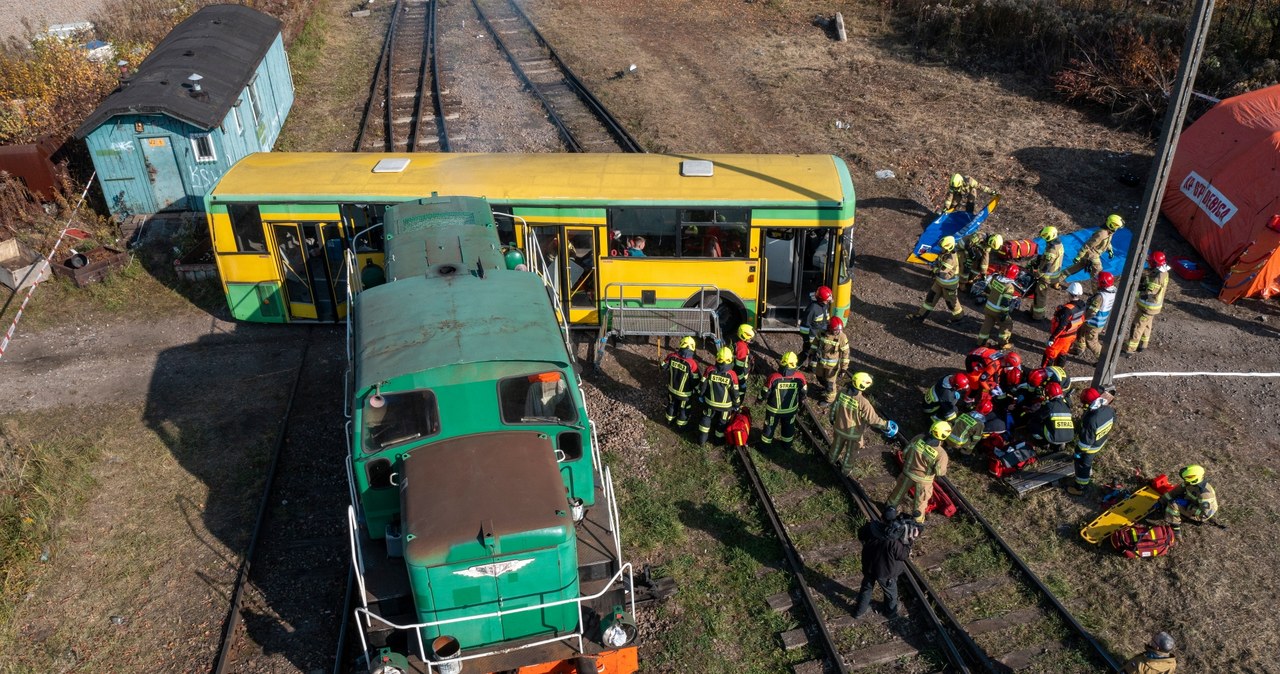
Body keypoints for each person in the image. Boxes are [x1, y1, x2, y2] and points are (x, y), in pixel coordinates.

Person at [853, 507, 919, 619]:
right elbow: (902, 555)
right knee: (891, 594)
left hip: (869, 566)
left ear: (882, 517)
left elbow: (861, 535)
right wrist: (910, 540)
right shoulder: (894, 540)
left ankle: (859, 611)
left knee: (866, 588)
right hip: (886, 572)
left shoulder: (871, 527)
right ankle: (890, 612)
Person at [829, 372, 896, 475]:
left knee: (836, 446)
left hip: (839, 428)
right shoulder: (863, 402)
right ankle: (845, 471)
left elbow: (834, 407)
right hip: (853, 435)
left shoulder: (841, 393)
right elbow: (873, 419)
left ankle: (830, 461)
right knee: (850, 454)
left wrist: (832, 418)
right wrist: (886, 425)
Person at [887, 420, 951, 523]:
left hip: (907, 474)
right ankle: (917, 523)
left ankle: (888, 511)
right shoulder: (941, 454)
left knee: (897, 494)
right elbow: (940, 472)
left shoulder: (918, 438)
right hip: (923, 482)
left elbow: (905, 453)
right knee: (920, 504)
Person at [1068, 387, 1116, 495]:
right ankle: (1088, 471)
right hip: (1101, 440)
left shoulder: (1091, 420)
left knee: (1082, 464)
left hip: (1091, 447)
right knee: (1088, 460)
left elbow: (1085, 444)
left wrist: (1078, 452)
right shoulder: (1109, 409)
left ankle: (1080, 487)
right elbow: (1113, 420)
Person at [909, 236, 963, 324]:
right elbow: (938, 263)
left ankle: (959, 317)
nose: (941, 249)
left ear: (948, 247)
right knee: (930, 298)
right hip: (939, 281)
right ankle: (921, 316)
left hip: (949, 285)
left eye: (943, 247)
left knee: (951, 303)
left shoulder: (950, 259)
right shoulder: (944, 253)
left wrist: (934, 270)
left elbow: (942, 272)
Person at [1125, 251, 1171, 354]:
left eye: (1151, 261)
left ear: (1155, 263)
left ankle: (1129, 350)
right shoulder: (1164, 272)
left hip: (1147, 307)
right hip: (1153, 308)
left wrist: (1134, 293)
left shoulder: (1157, 277)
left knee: (1137, 326)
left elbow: (1149, 293)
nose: (1149, 263)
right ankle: (1143, 345)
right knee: (1146, 326)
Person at [696, 347, 742, 446]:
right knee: (722, 422)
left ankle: (701, 440)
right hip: (725, 407)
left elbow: (703, 385)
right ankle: (718, 441)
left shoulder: (710, 370)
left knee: (706, 418)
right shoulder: (732, 375)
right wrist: (737, 404)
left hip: (710, 403)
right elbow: (735, 393)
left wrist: (700, 394)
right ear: (730, 360)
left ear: (717, 358)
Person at [761, 352, 808, 448]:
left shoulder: (774, 377)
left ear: (782, 362)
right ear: (795, 364)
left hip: (773, 410)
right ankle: (786, 446)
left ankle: (765, 447)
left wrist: (759, 399)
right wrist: (801, 401)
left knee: (769, 427)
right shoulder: (800, 378)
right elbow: (804, 393)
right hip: (790, 410)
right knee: (788, 428)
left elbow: (765, 392)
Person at [1062, 214, 1124, 286]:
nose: (1117, 229)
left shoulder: (1110, 232)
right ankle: (1096, 292)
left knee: (1078, 266)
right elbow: (1088, 245)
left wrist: (1110, 250)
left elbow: (1108, 242)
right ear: (1112, 225)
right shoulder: (1101, 234)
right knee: (1097, 272)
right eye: (1117, 227)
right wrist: (1079, 256)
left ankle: (1059, 277)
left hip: (1094, 254)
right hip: (1092, 254)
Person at [1071, 271, 1118, 361]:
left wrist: (1082, 318)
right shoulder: (1112, 291)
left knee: (1091, 342)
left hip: (1093, 323)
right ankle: (1079, 348)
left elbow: (1092, 312)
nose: (1096, 282)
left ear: (1103, 283)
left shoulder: (1099, 297)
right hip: (1096, 321)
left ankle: (1103, 360)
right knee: (1081, 331)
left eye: (1098, 281)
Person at [1163, 464, 1218, 532]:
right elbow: (1175, 492)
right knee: (1175, 498)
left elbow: (1204, 514)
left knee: (1173, 504)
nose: (1185, 480)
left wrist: (1187, 505)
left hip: (1201, 515)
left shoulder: (1204, 495)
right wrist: (1161, 501)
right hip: (1193, 503)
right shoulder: (1190, 483)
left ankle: (1175, 527)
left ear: (1195, 478)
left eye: (1188, 477)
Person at [1042, 282, 1086, 367]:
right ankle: (1059, 373)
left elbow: (1062, 326)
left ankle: (1045, 374)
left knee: (1049, 355)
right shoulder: (1083, 305)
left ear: (1070, 293)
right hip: (1071, 336)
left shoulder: (1067, 310)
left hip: (1061, 337)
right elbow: (1082, 319)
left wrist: (1052, 338)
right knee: (1062, 354)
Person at [661, 336, 702, 428]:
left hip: (671, 389)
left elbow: (662, 366)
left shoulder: (671, 357)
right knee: (684, 409)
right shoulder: (692, 364)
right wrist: (697, 391)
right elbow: (696, 380)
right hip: (685, 394)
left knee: (671, 405)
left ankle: (668, 421)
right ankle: (680, 427)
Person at [977, 263, 1020, 348]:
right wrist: (1004, 313)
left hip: (988, 307)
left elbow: (988, 289)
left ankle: (981, 342)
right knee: (1007, 324)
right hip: (997, 310)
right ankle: (1003, 343)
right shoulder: (1009, 286)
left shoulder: (995, 279)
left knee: (987, 324)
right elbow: (1005, 302)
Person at [811, 317, 851, 403]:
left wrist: (844, 368)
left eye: (839, 330)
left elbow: (845, 353)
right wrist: (812, 352)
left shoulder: (842, 337)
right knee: (819, 377)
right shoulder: (821, 332)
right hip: (821, 363)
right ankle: (826, 389)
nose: (838, 332)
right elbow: (815, 343)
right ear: (830, 328)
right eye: (835, 330)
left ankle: (829, 400)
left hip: (832, 367)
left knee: (830, 384)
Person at [1030, 226, 1064, 320]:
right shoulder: (1059, 244)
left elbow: (1046, 266)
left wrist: (1038, 274)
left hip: (1047, 277)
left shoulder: (1051, 249)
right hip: (1054, 274)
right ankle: (1033, 312)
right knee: (1038, 294)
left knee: (1040, 295)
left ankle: (1037, 317)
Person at [1032, 382, 1073, 452]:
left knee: (1032, 425)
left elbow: (1038, 417)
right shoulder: (1067, 404)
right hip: (1069, 436)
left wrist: (1036, 410)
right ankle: (1061, 444)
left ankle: (1044, 444)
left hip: (1054, 438)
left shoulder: (1049, 406)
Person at [798, 286, 833, 368]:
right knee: (806, 352)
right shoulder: (812, 309)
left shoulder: (825, 306)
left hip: (820, 336)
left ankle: (811, 368)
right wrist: (806, 339)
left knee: (816, 353)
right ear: (821, 299)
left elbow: (826, 320)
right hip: (812, 338)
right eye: (827, 300)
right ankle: (795, 365)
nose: (828, 301)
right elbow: (804, 325)